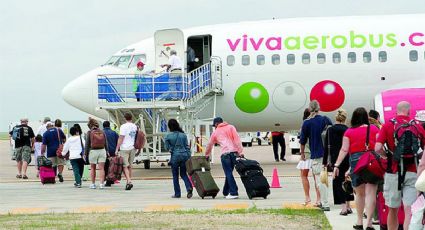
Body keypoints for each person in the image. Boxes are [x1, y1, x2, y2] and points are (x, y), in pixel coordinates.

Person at [374, 101, 425, 230]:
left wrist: (386, 155)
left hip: (393, 172)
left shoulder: (388, 125)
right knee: (409, 210)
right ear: (409, 111)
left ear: (396, 111)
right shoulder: (418, 126)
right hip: (413, 171)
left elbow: (377, 147)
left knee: (393, 209)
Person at [333, 107, 380, 230]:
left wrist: (337, 165)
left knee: (359, 194)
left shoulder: (349, 132)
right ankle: (369, 223)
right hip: (371, 161)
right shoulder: (374, 129)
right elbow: (380, 147)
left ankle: (359, 222)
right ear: (366, 117)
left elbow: (344, 149)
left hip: (356, 161)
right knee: (371, 194)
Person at [299, 100, 333, 211]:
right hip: (327, 154)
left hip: (316, 155)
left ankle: (325, 203)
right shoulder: (325, 119)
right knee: (324, 179)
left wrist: (302, 153)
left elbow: (303, 141)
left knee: (320, 180)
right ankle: (324, 201)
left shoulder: (307, 123)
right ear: (319, 108)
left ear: (309, 109)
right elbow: (332, 132)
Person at [323, 109, 354, 215]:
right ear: (345, 119)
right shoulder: (348, 130)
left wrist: (324, 162)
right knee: (347, 181)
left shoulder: (330, 130)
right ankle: (349, 206)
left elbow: (326, 147)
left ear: (336, 118)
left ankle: (343, 208)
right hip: (347, 158)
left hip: (336, 160)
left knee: (338, 183)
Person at [205, 117, 243, 199]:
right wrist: (240, 152)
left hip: (225, 155)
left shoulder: (215, 132)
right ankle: (226, 191)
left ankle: (233, 192)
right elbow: (237, 140)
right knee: (229, 173)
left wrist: (207, 155)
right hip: (234, 154)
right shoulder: (231, 127)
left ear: (216, 124)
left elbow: (209, 145)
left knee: (228, 173)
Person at [164, 119, 193, 199]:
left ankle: (177, 194)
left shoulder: (168, 136)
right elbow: (187, 147)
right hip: (184, 156)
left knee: (175, 176)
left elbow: (166, 147)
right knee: (183, 174)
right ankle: (189, 188)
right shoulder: (183, 135)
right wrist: (189, 156)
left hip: (175, 157)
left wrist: (171, 148)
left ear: (169, 126)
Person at [115, 112, 138, 190]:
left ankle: (129, 181)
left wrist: (117, 148)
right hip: (132, 148)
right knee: (130, 166)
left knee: (125, 166)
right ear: (131, 118)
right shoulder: (135, 126)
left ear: (125, 118)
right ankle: (129, 181)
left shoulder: (123, 126)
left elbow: (121, 138)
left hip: (124, 148)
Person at [85, 118, 108, 189]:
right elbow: (106, 143)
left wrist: (85, 153)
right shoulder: (102, 131)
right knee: (102, 168)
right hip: (102, 150)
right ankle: (101, 184)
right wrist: (107, 151)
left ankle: (93, 184)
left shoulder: (89, 132)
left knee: (93, 168)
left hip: (93, 151)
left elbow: (87, 144)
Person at [103, 121, 119, 186]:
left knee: (105, 166)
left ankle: (107, 180)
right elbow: (118, 141)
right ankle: (111, 179)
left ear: (103, 126)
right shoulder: (114, 133)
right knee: (112, 166)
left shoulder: (101, 132)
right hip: (113, 151)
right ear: (109, 125)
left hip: (104, 151)